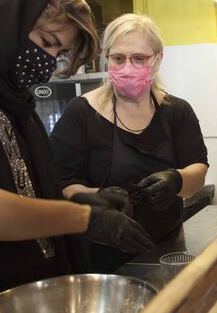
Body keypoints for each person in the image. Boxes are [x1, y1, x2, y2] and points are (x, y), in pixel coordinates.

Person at [0, 0, 154, 313]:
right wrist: (81, 218)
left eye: (56, 52)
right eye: (46, 42)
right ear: (2, 17)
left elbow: (24, 189)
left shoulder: (13, 101)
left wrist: (78, 198)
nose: (47, 60)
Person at [50, 14, 209, 272]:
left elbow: (198, 172)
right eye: (118, 58)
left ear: (157, 60)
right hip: (99, 256)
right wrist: (98, 197)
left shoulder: (177, 112)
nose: (128, 66)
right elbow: (62, 184)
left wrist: (176, 180)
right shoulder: (81, 114)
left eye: (139, 58)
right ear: (107, 58)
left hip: (165, 251)